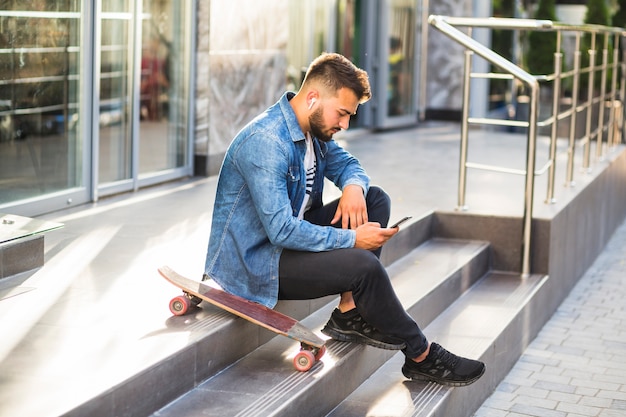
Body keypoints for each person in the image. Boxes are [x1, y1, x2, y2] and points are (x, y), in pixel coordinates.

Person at [204, 52, 485, 386]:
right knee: (363, 267)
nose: (345, 124)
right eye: (342, 113)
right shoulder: (266, 142)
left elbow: (349, 165)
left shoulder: (313, 130)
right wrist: (353, 240)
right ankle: (421, 355)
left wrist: (353, 187)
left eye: (350, 115)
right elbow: (280, 230)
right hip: (257, 263)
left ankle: (349, 314)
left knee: (374, 199)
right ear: (313, 98)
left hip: (288, 245)